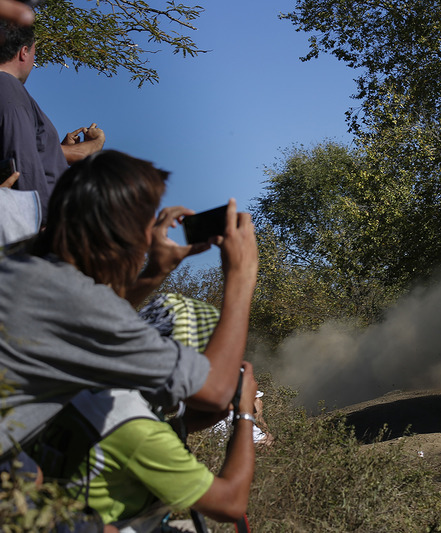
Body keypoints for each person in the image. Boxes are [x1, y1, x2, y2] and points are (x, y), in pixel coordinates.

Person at [0, 150, 258, 467]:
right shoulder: (82, 305)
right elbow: (215, 391)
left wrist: (153, 272)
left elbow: (83, 324)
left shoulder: (20, 262)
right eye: (146, 224)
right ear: (122, 235)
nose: (150, 236)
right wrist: (241, 277)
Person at [35, 294, 266, 532]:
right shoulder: (140, 432)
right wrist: (244, 415)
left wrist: (189, 420)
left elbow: (121, 438)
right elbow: (230, 505)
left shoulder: (95, 388)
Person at [0, 19, 105, 222]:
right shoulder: (9, 87)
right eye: (34, 53)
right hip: (28, 227)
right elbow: (19, 162)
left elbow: (21, 149)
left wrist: (53, 151)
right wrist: (39, 219)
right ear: (24, 52)